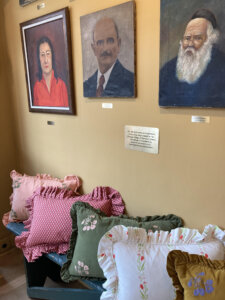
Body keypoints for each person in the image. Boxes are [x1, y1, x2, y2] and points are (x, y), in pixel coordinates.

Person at [159, 9, 225, 107]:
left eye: (197, 38)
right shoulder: (167, 70)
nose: (190, 44)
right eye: (187, 38)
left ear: (210, 40)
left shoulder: (221, 67)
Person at [83, 17, 135, 98]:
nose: (106, 48)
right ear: (94, 49)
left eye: (110, 41)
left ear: (119, 44)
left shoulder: (131, 83)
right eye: (100, 43)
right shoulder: (86, 87)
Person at [33, 36, 69, 107]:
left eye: (48, 54)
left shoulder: (61, 85)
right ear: (39, 59)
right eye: (42, 55)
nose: (46, 60)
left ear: (52, 56)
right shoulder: (36, 87)